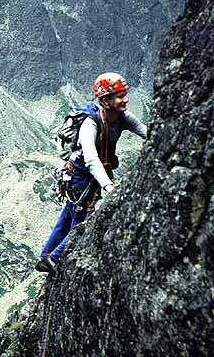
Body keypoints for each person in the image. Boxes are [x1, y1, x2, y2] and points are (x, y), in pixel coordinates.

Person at [35, 72, 147, 276]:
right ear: (105, 100)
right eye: (120, 96)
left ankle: (45, 257)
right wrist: (109, 186)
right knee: (82, 222)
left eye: (125, 94)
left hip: (83, 177)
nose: (126, 99)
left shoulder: (123, 117)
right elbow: (91, 159)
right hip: (80, 178)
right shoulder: (91, 123)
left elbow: (145, 131)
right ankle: (55, 259)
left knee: (67, 216)